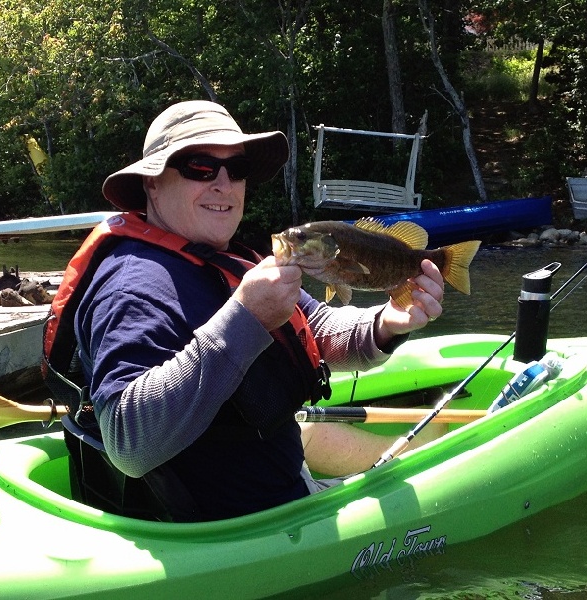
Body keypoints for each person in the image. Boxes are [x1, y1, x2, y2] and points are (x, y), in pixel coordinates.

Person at [44, 100, 446, 523]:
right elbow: (128, 441)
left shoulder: (224, 259)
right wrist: (246, 319)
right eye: (200, 167)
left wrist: (386, 324)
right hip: (237, 534)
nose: (223, 183)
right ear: (153, 184)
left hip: (281, 495)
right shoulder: (133, 289)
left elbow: (315, 329)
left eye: (236, 169)